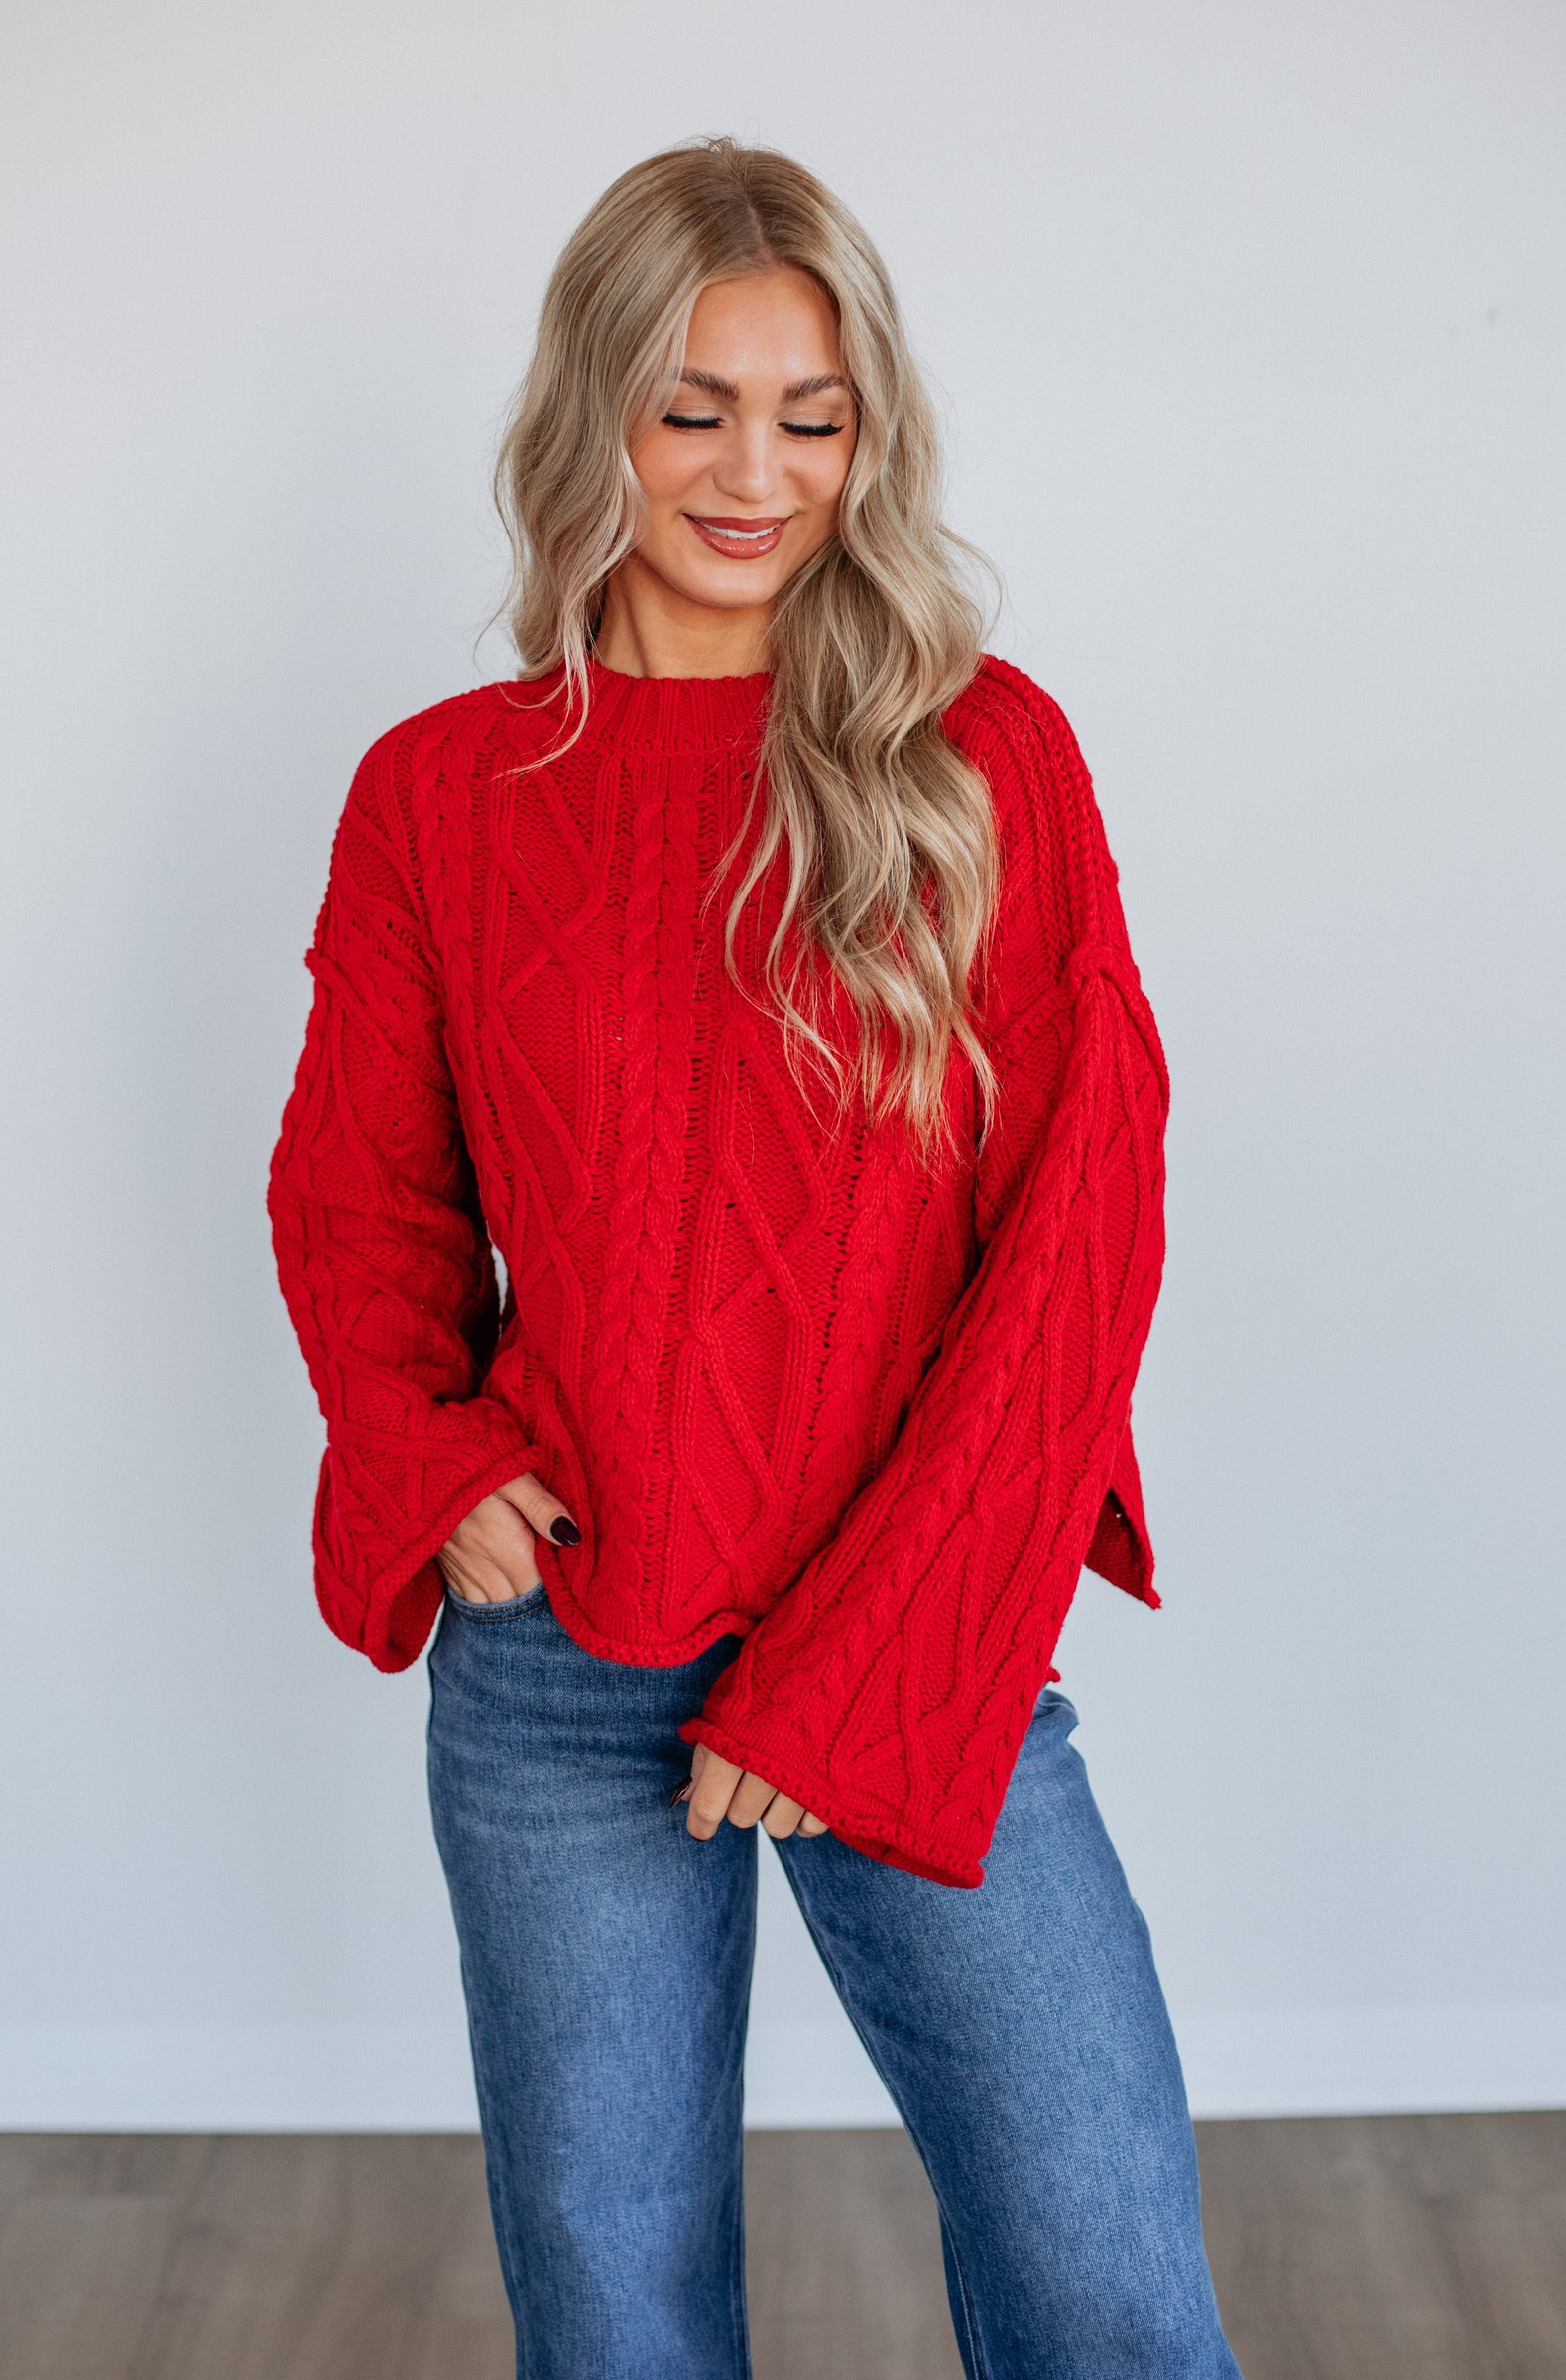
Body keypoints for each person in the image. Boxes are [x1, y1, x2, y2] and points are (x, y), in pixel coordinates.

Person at [267, 134, 1243, 2380]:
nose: (753, 473)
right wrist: (430, 1454)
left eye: (812, 416)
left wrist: (868, 1661)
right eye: (691, 406)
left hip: (912, 1621)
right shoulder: (440, 793)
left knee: (1105, 2286)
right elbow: (359, 1194)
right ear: (589, 411)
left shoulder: (981, 758)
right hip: (563, 1650)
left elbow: (1081, 1232)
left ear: (868, 434)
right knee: (615, 2321)